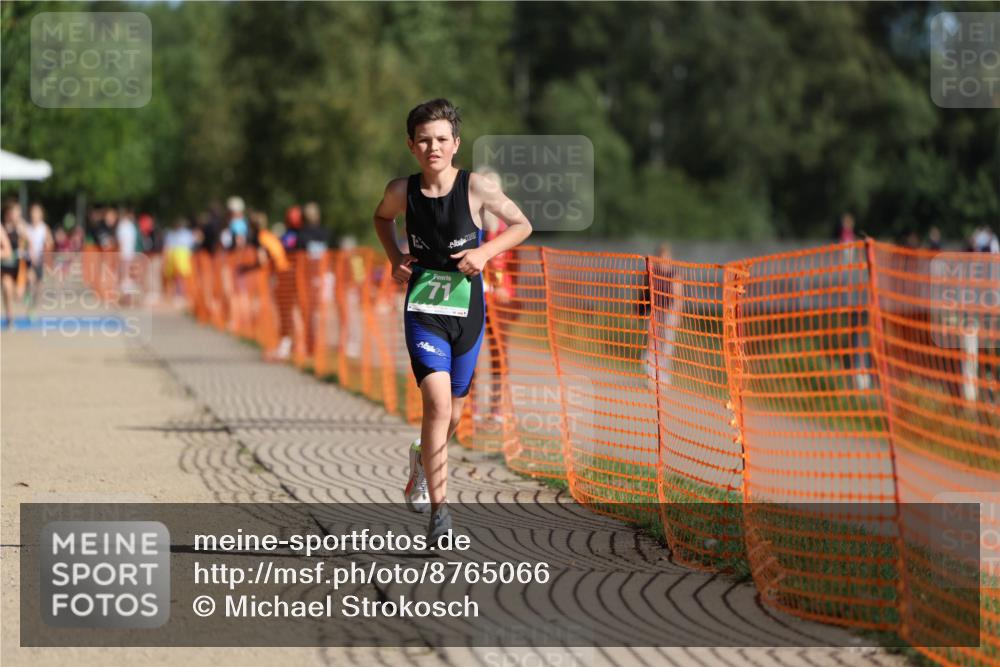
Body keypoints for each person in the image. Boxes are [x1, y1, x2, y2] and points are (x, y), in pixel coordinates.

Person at [372, 99, 532, 544]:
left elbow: (522, 226)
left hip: (468, 315)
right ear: (411, 145)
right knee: (438, 405)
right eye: (423, 139)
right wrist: (394, 258)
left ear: (455, 144)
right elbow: (381, 218)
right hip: (424, 313)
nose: (433, 147)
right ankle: (441, 513)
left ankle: (422, 459)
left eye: (441, 139)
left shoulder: (476, 188)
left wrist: (483, 253)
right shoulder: (402, 191)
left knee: (454, 415)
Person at [643, 242, 683, 387]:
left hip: (669, 312)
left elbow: (678, 297)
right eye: (661, 256)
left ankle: (663, 375)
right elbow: (645, 293)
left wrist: (677, 315)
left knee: (667, 345)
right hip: (655, 311)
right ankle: (651, 373)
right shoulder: (652, 273)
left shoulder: (674, 274)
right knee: (653, 342)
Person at [1, 201, 27, 328]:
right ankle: (10, 319)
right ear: (8, 213)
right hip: (5, 266)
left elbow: (29, 242)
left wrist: (25, 248)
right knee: (7, 288)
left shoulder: (20, 227)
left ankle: (26, 294)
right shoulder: (2, 227)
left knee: (18, 295)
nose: (17, 215)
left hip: (18, 265)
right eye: (15, 212)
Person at [25, 203, 54, 314]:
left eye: (37, 212)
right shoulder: (27, 228)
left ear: (41, 215)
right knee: (30, 278)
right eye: (33, 212)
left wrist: (47, 247)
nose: (35, 215)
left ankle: (33, 307)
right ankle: (27, 293)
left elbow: (50, 241)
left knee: (39, 285)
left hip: (40, 259)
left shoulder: (44, 227)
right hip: (29, 259)